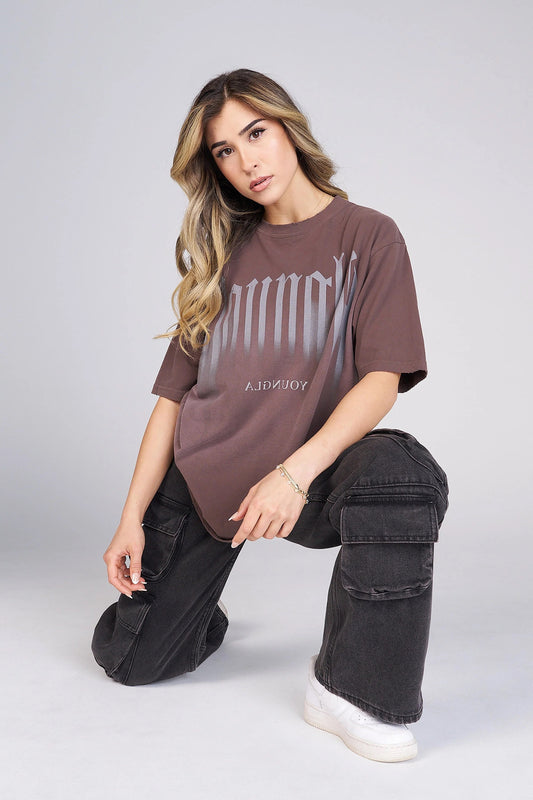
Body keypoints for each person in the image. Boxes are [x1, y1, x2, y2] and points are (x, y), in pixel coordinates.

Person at [91, 68, 449, 763]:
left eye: (255, 133)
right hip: (204, 481)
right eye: (224, 150)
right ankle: (197, 608)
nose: (246, 161)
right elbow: (172, 401)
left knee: (398, 475)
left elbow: (382, 379)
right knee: (131, 662)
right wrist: (129, 517)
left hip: (307, 477)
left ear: (288, 127)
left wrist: (292, 474)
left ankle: (353, 693)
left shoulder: (367, 236)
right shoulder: (222, 255)